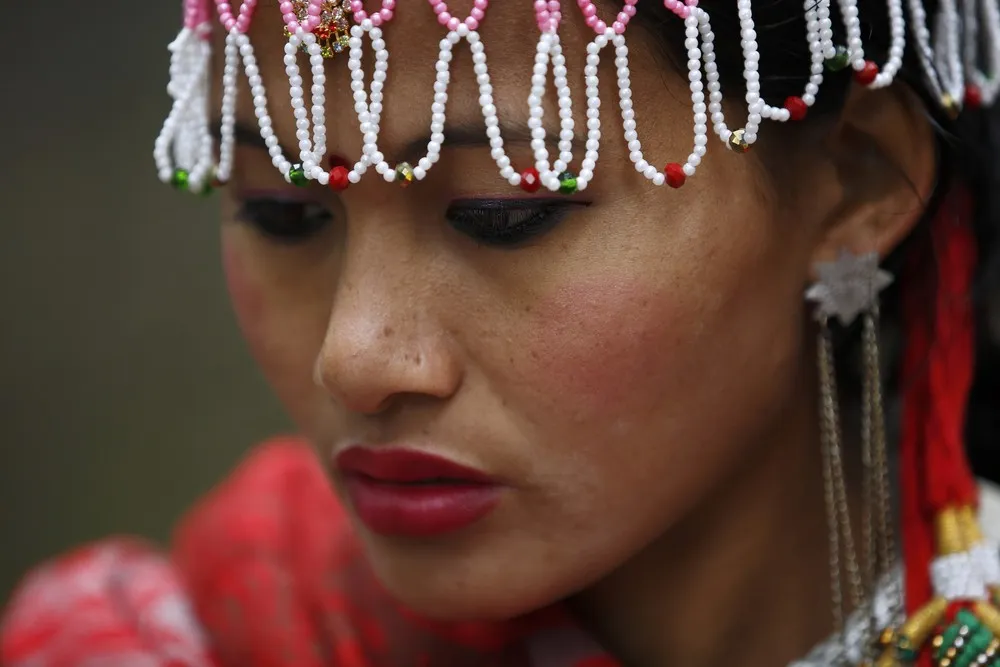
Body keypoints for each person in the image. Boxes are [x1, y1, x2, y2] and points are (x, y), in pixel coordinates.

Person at [3, 0, 1000, 665]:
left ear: (855, 180)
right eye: (281, 212)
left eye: (500, 212)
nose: (355, 355)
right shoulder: (163, 641)